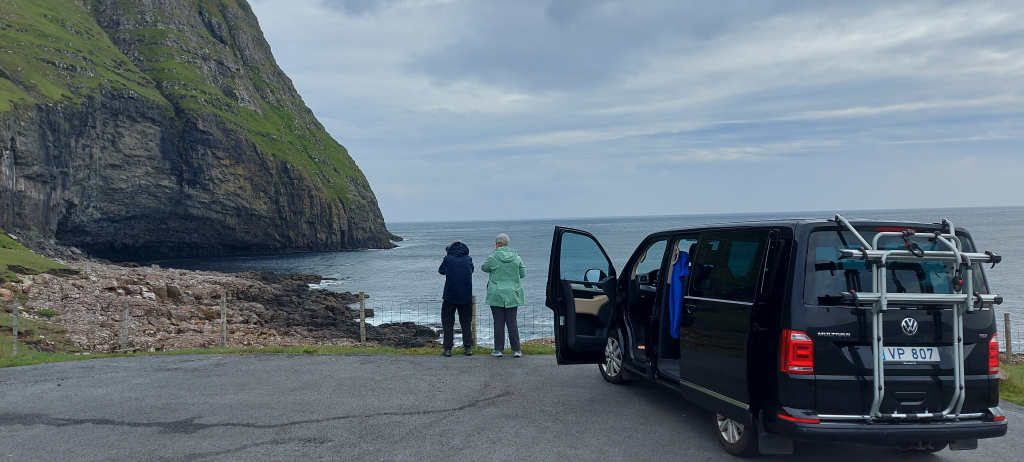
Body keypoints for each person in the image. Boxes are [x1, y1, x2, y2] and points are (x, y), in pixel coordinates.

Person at [481, 233, 526, 358]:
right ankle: (516, 350)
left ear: (497, 244)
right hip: (513, 293)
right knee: (512, 322)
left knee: (498, 322)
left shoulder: (493, 257)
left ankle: (498, 349)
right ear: (508, 244)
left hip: (496, 293)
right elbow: (523, 274)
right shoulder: (516, 257)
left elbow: (484, 268)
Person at [438, 239, 474, 357]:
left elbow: (441, 271)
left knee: (448, 322)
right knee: (466, 321)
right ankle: (468, 347)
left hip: (450, 295)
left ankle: (447, 349)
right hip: (466, 295)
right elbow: (471, 270)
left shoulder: (448, 259)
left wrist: (447, 256)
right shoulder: (468, 259)